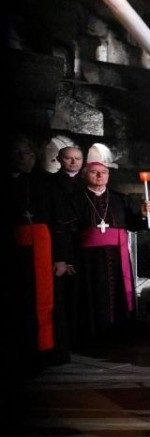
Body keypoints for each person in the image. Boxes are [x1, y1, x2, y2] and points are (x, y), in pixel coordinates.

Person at [55, 143, 150, 347]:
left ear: (108, 176)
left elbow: (135, 226)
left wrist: (143, 214)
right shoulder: (74, 199)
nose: (99, 176)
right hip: (86, 260)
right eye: (94, 172)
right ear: (85, 175)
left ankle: (120, 336)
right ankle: (91, 339)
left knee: (118, 295)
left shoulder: (121, 199)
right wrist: (67, 258)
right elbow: (67, 232)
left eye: (103, 173)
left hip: (118, 257)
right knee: (90, 296)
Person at [10, 133, 55, 377]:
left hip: (40, 251)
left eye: (25, 153)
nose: (20, 158)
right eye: (15, 153)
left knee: (40, 302)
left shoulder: (43, 183)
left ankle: (39, 355)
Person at [47, 145, 85, 365]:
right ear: (59, 159)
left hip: (82, 245)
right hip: (61, 244)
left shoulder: (84, 183)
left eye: (77, 158)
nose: (73, 162)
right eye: (69, 158)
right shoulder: (50, 184)